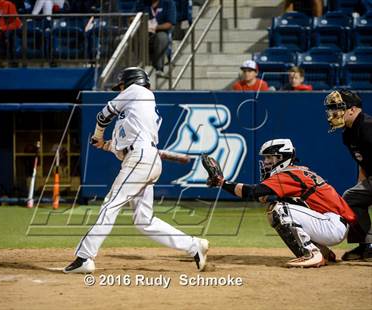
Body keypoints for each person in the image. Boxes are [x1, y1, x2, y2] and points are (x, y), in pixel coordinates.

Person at [63, 67, 209, 273]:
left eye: (121, 86)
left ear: (131, 82)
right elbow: (122, 145)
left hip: (141, 158)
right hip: (143, 159)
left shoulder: (138, 92)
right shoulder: (135, 110)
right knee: (143, 221)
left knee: (110, 205)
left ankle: (84, 257)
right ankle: (194, 246)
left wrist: (97, 134)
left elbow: (103, 115)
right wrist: (103, 144)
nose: (120, 90)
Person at [202, 139, 356, 267]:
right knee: (282, 206)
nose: (266, 162)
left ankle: (311, 253)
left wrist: (222, 183)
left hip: (332, 225)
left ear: (282, 158)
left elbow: (253, 192)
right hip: (332, 223)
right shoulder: (296, 171)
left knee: (278, 210)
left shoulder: (289, 173)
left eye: (270, 158)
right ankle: (323, 252)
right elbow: (262, 195)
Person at [324, 90, 372, 261]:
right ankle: (367, 246)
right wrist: (362, 188)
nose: (333, 113)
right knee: (351, 198)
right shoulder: (349, 133)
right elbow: (363, 163)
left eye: (337, 108)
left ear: (352, 109)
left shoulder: (368, 127)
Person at [139, 0, 176, 75]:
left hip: (160, 32)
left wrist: (155, 27)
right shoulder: (142, 3)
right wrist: (142, 23)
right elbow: (132, 18)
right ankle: (135, 67)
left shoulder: (168, 3)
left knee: (162, 37)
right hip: (143, 33)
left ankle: (159, 68)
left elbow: (170, 23)